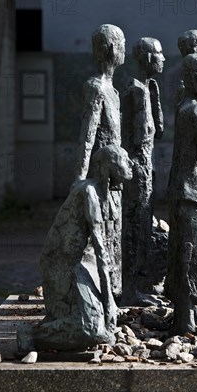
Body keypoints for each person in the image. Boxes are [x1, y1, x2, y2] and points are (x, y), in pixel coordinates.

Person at [26, 145, 133, 351]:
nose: (130, 164)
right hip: (64, 267)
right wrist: (109, 300)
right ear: (107, 167)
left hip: (81, 265)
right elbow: (100, 248)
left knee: (100, 331)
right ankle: (32, 335)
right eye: (123, 159)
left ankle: (60, 328)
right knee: (92, 329)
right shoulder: (89, 192)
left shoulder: (105, 194)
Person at [165, 53, 197, 335]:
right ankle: (185, 318)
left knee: (184, 251)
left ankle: (187, 313)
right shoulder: (195, 111)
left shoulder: (183, 105)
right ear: (187, 78)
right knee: (189, 253)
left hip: (184, 190)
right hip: (191, 193)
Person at [73, 24, 126, 298]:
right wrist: (80, 180)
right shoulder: (95, 87)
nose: (125, 48)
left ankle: (112, 296)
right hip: (99, 179)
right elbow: (87, 134)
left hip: (114, 179)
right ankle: (97, 293)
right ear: (111, 48)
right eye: (122, 43)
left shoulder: (114, 92)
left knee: (113, 231)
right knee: (99, 236)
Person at [121, 37, 165, 305]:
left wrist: (155, 94)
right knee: (135, 228)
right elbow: (135, 138)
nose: (163, 58)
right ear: (147, 58)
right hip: (136, 167)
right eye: (159, 54)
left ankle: (140, 284)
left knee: (144, 228)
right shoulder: (134, 91)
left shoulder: (148, 89)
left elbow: (159, 130)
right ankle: (130, 290)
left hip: (147, 167)